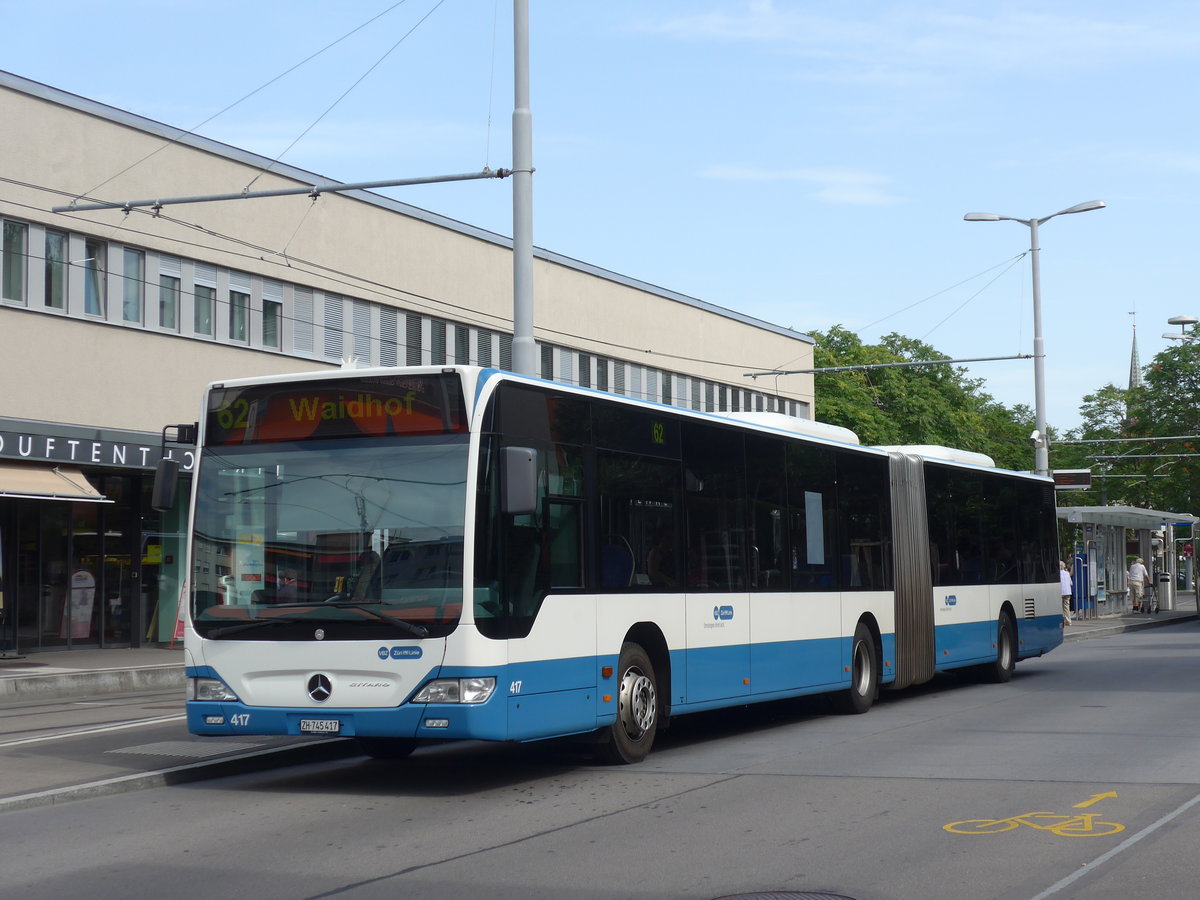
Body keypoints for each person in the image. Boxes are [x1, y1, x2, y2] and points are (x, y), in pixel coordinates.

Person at [1059, 560, 1073, 627]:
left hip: (1060, 592)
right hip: (1068, 592)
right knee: (1066, 607)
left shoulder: (1057, 574)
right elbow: (1071, 583)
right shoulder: (1067, 573)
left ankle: (1061, 621)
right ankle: (1068, 621)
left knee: (1059, 607)